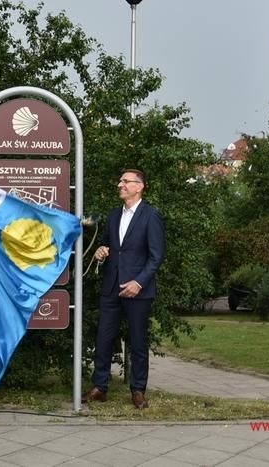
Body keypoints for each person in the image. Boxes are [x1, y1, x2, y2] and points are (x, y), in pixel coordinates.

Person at [83, 169, 166, 409]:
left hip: (138, 290)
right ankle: (100, 387)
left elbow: (156, 256)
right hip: (111, 286)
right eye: (120, 181)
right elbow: (109, 247)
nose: (120, 184)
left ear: (139, 187)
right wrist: (100, 253)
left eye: (126, 181)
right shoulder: (113, 216)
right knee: (103, 338)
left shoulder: (151, 216)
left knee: (138, 341)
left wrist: (138, 282)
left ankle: (138, 391)